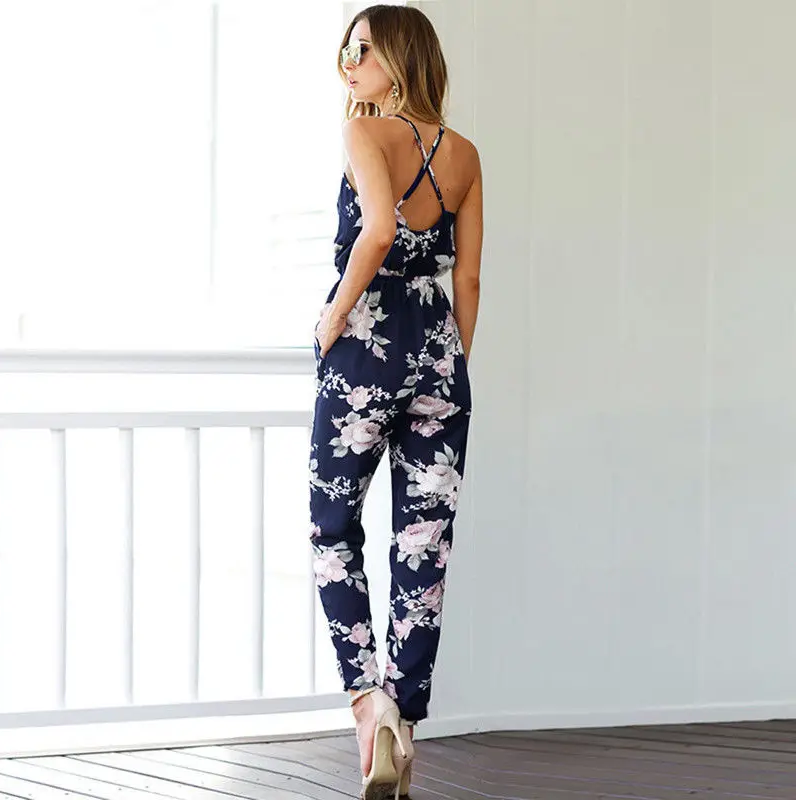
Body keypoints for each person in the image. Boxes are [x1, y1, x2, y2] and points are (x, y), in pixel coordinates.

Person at [308, 4, 482, 798]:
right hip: (440, 357)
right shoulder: (464, 153)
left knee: (332, 527)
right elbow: (467, 278)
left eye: (366, 50)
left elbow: (377, 231)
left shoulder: (364, 134)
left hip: (364, 353)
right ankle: (404, 722)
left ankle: (366, 704)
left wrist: (333, 320)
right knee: (424, 542)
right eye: (347, 49)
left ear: (403, 60)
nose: (351, 63)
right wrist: (449, 367)